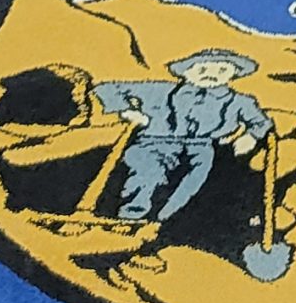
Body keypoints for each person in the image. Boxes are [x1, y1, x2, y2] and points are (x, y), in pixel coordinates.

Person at [95, 50, 271, 225]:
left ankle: (166, 216)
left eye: (222, 70)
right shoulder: (160, 90)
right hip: (155, 140)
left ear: (234, 73)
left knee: (200, 173)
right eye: (202, 70)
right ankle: (132, 214)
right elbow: (106, 89)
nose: (211, 75)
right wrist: (127, 111)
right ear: (186, 71)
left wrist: (250, 136)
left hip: (202, 144)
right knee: (148, 169)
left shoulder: (240, 101)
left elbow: (262, 122)